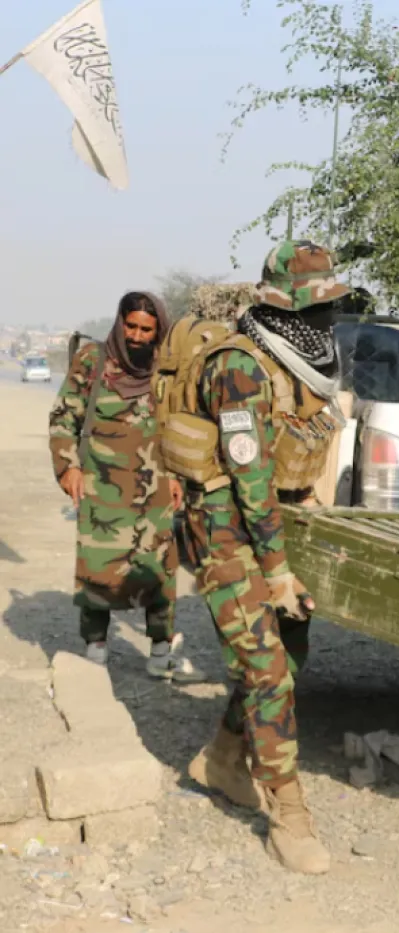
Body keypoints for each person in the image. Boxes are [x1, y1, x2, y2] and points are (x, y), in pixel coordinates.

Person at [177, 240, 350, 873]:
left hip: (277, 520)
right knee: (268, 670)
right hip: (225, 529)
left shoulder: (301, 359)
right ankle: (289, 815)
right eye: (318, 308)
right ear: (286, 309)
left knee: (291, 649)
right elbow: (249, 477)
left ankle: (223, 756)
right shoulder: (240, 368)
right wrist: (275, 572)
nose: (329, 320)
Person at [48, 292, 202, 682]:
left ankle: (160, 650)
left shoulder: (167, 370)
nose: (136, 336)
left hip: (156, 486)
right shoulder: (92, 360)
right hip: (102, 482)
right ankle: (95, 646)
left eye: (145, 329)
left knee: (161, 567)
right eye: (130, 326)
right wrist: (69, 468)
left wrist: (178, 476)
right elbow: (64, 417)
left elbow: (182, 427)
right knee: (98, 563)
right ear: (119, 322)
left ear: (158, 330)